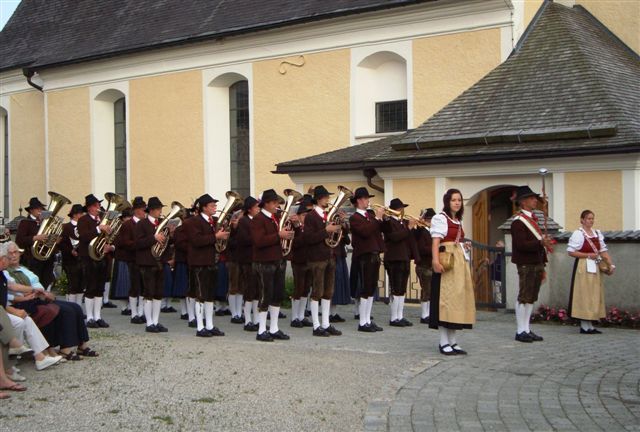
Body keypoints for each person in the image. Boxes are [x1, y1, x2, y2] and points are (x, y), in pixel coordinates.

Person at [5, 241, 97, 360]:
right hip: (28, 301)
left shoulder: (23, 268)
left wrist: (45, 293)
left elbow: (37, 285)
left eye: (15, 252)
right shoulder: (7, 272)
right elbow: (14, 290)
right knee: (65, 310)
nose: (13, 255)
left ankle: (82, 345)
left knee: (75, 307)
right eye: (10, 253)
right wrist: (35, 292)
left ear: (19, 253)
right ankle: (65, 348)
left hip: (40, 296)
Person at [430, 188, 475, 355]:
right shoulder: (440, 218)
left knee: (457, 301)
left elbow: (455, 242)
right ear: (447, 202)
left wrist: (464, 245)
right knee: (446, 301)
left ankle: (453, 340)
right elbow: (436, 242)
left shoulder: (458, 220)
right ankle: (443, 341)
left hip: (458, 264)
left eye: (459, 200)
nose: (457, 203)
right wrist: (435, 261)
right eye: (454, 200)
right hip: (446, 263)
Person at [511, 185, 553, 343]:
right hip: (526, 263)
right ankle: (520, 330)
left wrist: (543, 260)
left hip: (536, 262)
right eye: (531, 198)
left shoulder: (533, 220)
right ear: (523, 202)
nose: (535, 200)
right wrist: (540, 242)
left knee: (531, 297)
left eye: (535, 198)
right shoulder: (518, 222)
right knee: (524, 296)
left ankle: (526, 329)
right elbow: (521, 245)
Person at [250, 189, 292, 342]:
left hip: (277, 260)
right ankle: (261, 329)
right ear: (266, 204)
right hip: (264, 262)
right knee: (265, 295)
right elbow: (259, 241)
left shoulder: (275, 218)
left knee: (277, 295)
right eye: (274, 203)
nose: (277, 205)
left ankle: (274, 328)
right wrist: (279, 235)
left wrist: (287, 233)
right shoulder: (258, 219)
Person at [567, 210, 615, 334]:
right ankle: (584, 325)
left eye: (592, 218)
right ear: (582, 220)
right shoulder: (578, 234)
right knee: (584, 294)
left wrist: (610, 265)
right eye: (588, 218)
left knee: (594, 294)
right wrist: (588, 255)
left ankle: (590, 325)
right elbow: (571, 252)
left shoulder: (597, 233)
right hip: (583, 266)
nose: (591, 221)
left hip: (596, 265)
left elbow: (603, 251)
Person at [304, 186, 343, 337]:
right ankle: (316, 325)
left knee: (328, 292)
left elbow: (335, 235)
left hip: (329, 256)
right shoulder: (311, 216)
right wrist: (326, 231)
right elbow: (309, 238)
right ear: (319, 199)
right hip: (317, 258)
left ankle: (326, 323)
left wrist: (339, 227)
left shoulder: (328, 215)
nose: (328, 200)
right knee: (317, 292)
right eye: (326, 198)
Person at [187, 194, 228, 337]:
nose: (215, 207)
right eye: (212, 205)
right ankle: (200, 327)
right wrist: (216, 237)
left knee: (210, 295)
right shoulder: (194, 221)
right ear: (204, 208)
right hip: (199, 263)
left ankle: (209, 325)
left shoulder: (213, 221)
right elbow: (196, 240)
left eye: (215, 205)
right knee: (200, 295)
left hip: (211, 261)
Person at [349, 187, 385, 332]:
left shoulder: (369, 216)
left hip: (374, 253)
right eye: (365, 198)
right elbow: (365, 232)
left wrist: (383, 219)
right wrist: (377, 218)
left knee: (371, 288)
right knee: (365, 288)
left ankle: (368, 319)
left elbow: (379, 229)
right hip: (364, 255)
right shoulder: (355, 218)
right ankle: (362, 322)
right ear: (359, 201)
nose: (368, 201)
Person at [135, 197, 170, 333]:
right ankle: (149, 322)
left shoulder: (161, 223)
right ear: (151, 210)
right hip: (147, 262)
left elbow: (166, 244)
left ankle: (155, 321)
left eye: (160, 209)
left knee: (158, 293)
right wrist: (154, 238)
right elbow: (138, 243)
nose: (160, 211)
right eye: (158, 209)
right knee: (148, 292)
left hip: (159, 262)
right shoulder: (142, 224)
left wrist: (170, 234)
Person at [382, 198, 418, 327]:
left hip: (404, 258)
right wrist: (408, 228)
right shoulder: (389, 222)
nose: (402, 211)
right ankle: (394, 318)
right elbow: (394, 237)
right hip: (393, 258)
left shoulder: (402, 222)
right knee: (396, 289)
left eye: (402, 209)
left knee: (402, 289)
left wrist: (414, 227)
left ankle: (400, 316)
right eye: (400, 208)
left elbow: (410, 239)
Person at [78, 194, 112, 328]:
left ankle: (98, 316)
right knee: (90, 287)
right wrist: (98, 228)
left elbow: (108, 237)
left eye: (99, 205)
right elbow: (83, 236)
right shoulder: (83, 220)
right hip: (88, 257)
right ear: (90, 208)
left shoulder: (102, 220)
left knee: (100, 288)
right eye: (96, 205)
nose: (99, 208)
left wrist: (109, 245)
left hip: (101, 257)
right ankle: (90, 317)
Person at [116, 197, 146, 323]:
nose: (145, 212)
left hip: (145, 259)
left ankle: (141, 312)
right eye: (144, 209)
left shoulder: (146, 223)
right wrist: (140, 244)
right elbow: (125, 242)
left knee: (144, 287)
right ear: (137, 210)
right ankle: (134, 314)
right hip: (132, 259)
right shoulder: (127, 225)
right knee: (134, 287)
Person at [15, 197, 56, 290]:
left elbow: (49, 238)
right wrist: (35, 238)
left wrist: (53, 240)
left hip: (46, 258)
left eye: (41, 209)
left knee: (46, 282)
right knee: (35, 283)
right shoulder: (25, 222)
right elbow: (19, 240)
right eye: (38, 209)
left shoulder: (45, 222)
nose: (40, 211)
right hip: (32, 259)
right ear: (31, 210)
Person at [234, 197, 261, 331]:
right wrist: (259, 238)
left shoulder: (257, 220)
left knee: (257, 290)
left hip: (256, 259)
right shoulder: (244, 221)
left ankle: (256, 319)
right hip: (247, 260)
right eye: (256, 207)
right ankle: (248, 320)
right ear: (249, 209)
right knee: (249, 290)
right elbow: (243, 239)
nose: (258, 209)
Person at [289, 195, 313, 328]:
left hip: (308, 260)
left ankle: (301, 315)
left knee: (306, 289)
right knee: (298, 288)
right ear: (297, 216)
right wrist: (298, 228)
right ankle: (294, 317)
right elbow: (296, 243)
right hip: (298, 261)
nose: (306, 217)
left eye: (307, 215)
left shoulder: (308, 227)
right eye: (303, 215)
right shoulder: (293, 227)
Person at [59, 204, 85, 309]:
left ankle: (78, 308)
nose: (82, 215)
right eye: (81, 213)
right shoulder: (66, 227)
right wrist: (70, 251)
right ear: (74, 215)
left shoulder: (84, 226)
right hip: (70, 260)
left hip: (82, 259)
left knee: (81, 285)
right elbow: (62, 243)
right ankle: (72, 308)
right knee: (73, 284)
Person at [109, 208, 132, 313]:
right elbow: (115, 241)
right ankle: (124, 307)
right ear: (123, 219)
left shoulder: (133, 226)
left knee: (131, 283)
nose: (129, 219)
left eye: (130, 217)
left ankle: (130, 306)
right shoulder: (118, 228)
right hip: (121, 257)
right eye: (127, 217)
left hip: (131, 257)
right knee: (122, 283)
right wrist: (113, 247)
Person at [414, 208, 435, 324]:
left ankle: (429, 314)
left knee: (431, 291)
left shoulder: (431, 232)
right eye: (432, 220)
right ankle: (424, 315)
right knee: (426, 290)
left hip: (430, 265)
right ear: (427, 220)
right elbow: (422, 249)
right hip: (423, 265)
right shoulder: (422, 232)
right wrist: (435, 249)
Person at [329, 218, 350, 323]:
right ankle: (328, 314)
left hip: (340, 255)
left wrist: (344, 228)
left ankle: (333, 313)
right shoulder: (328, 225)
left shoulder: (340, 228)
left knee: (338, 285)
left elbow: (348, 241)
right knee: (332, 285)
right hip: (332, 255)